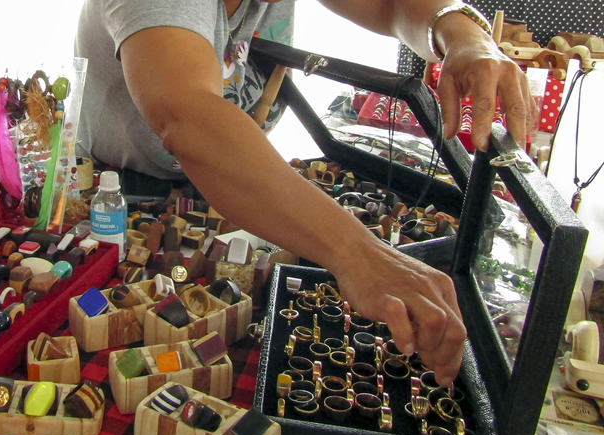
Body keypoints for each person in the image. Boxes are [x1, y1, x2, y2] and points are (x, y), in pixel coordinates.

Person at [74, 0, 538, 386]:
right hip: (117, 202)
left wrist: (462, 33)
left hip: (220, 185)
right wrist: (357, 254)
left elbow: (390, 4)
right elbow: (187, 119)